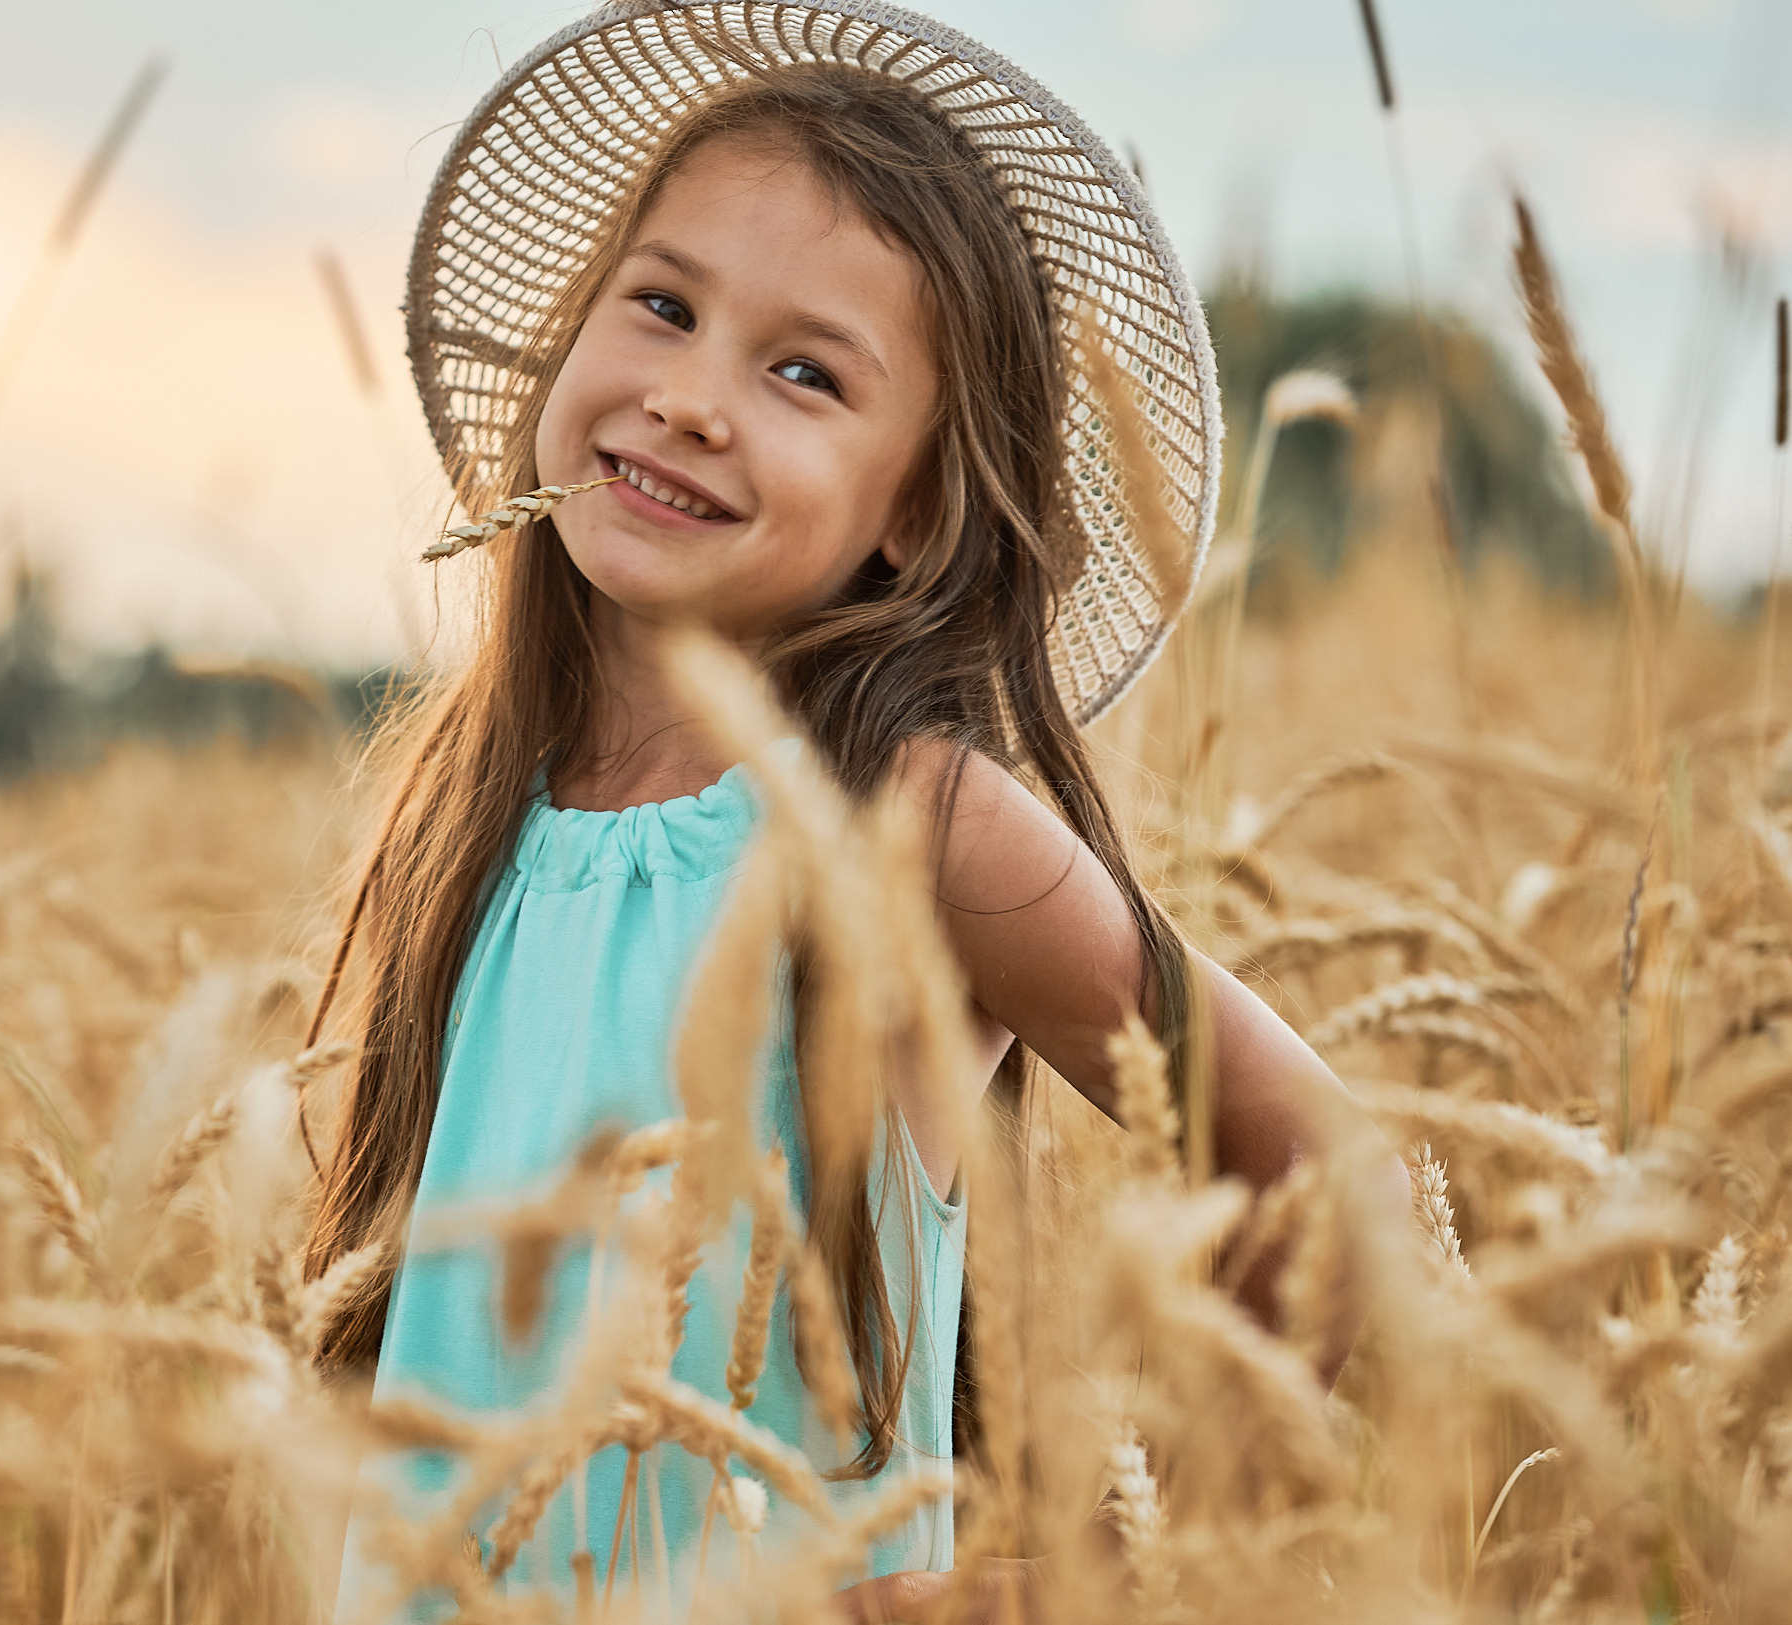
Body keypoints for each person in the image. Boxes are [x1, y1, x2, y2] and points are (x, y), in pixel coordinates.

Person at [304, 7, 1393, 1619]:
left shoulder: (916, 826)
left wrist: (1096, 1568)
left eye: (803, 372)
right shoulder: (467, 813)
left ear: (918, 512)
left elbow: (1327, 1168)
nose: (687, 396)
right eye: (661, 306)